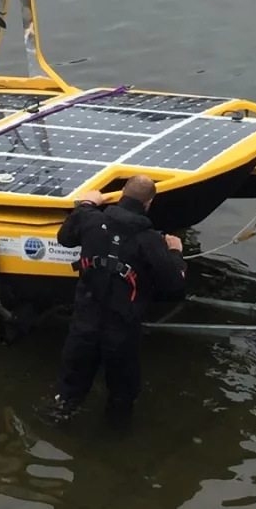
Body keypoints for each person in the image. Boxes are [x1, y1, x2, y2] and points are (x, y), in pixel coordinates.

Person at [50, 175, 187, 420]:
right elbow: (175, 286)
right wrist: (175, 253)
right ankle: (115, 437)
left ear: (122, 192)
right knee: (122, 395)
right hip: (122, 328)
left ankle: (61, 418)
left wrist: (85, 205)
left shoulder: (91, 220)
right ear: (148, 203)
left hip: (85, 321)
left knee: (68, 391)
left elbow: (65, 237)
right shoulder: (150, 240)